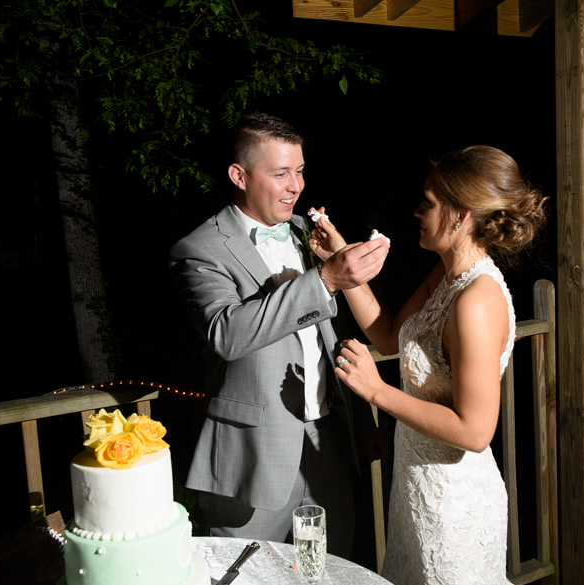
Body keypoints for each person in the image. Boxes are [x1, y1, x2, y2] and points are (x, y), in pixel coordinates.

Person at [309, 145, 547, 584]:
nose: (417, 211)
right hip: (417, 491)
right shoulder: (446, 276)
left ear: (462, 216)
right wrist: (339, 261)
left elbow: (476, 432)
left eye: (430, 202)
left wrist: (377, 391)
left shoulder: (476, 301)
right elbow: (385, 333)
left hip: (454, 504)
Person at [168, 112, 389, 559]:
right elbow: (226, 333)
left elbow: (334, 332)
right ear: (239, 175)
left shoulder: (305, 234)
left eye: (301, 171)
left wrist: (362, 419)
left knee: (323, 570)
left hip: (327, 443)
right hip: (252, 457)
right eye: (281, 173)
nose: (296, 186)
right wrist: (325, 278)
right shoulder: (199, 249)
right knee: (247, 572)